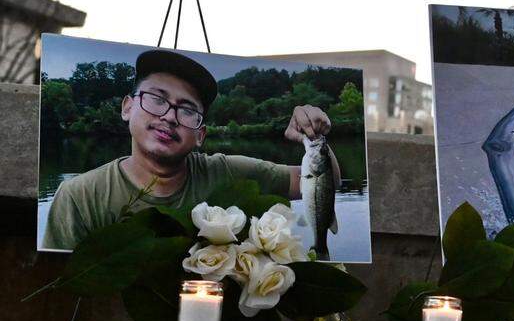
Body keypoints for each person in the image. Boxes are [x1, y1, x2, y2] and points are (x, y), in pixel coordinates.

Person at [42, 49, 339, 250]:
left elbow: (325, 181)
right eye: (157, 99)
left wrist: (312, 138)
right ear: (127, 107)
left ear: (200, 135)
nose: (169, 116)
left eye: (186, 110)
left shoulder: (225, 172)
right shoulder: (78, 196)